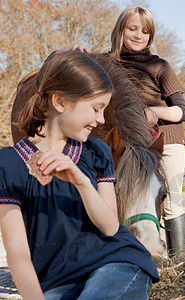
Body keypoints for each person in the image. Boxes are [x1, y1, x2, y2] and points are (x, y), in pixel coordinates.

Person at [0, 51, 159, 299]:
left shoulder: (97, 153)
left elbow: (109, 227)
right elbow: (17, 250)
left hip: (115, 264)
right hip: (57, 283)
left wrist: (81, 181)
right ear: (60, 102)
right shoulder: (9, 164)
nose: (101, 119)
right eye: (96, 109)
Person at [108, 6, 185, 257]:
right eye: (132, 29)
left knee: (172, 203)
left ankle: (178, 266)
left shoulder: (160, 66)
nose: (138, 35)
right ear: (120, 30)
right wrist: (73, 51)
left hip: (164, 140)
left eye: (145, 31)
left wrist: (155, 111)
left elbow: (181, 111)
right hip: (126, 143)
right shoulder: (105, 64)